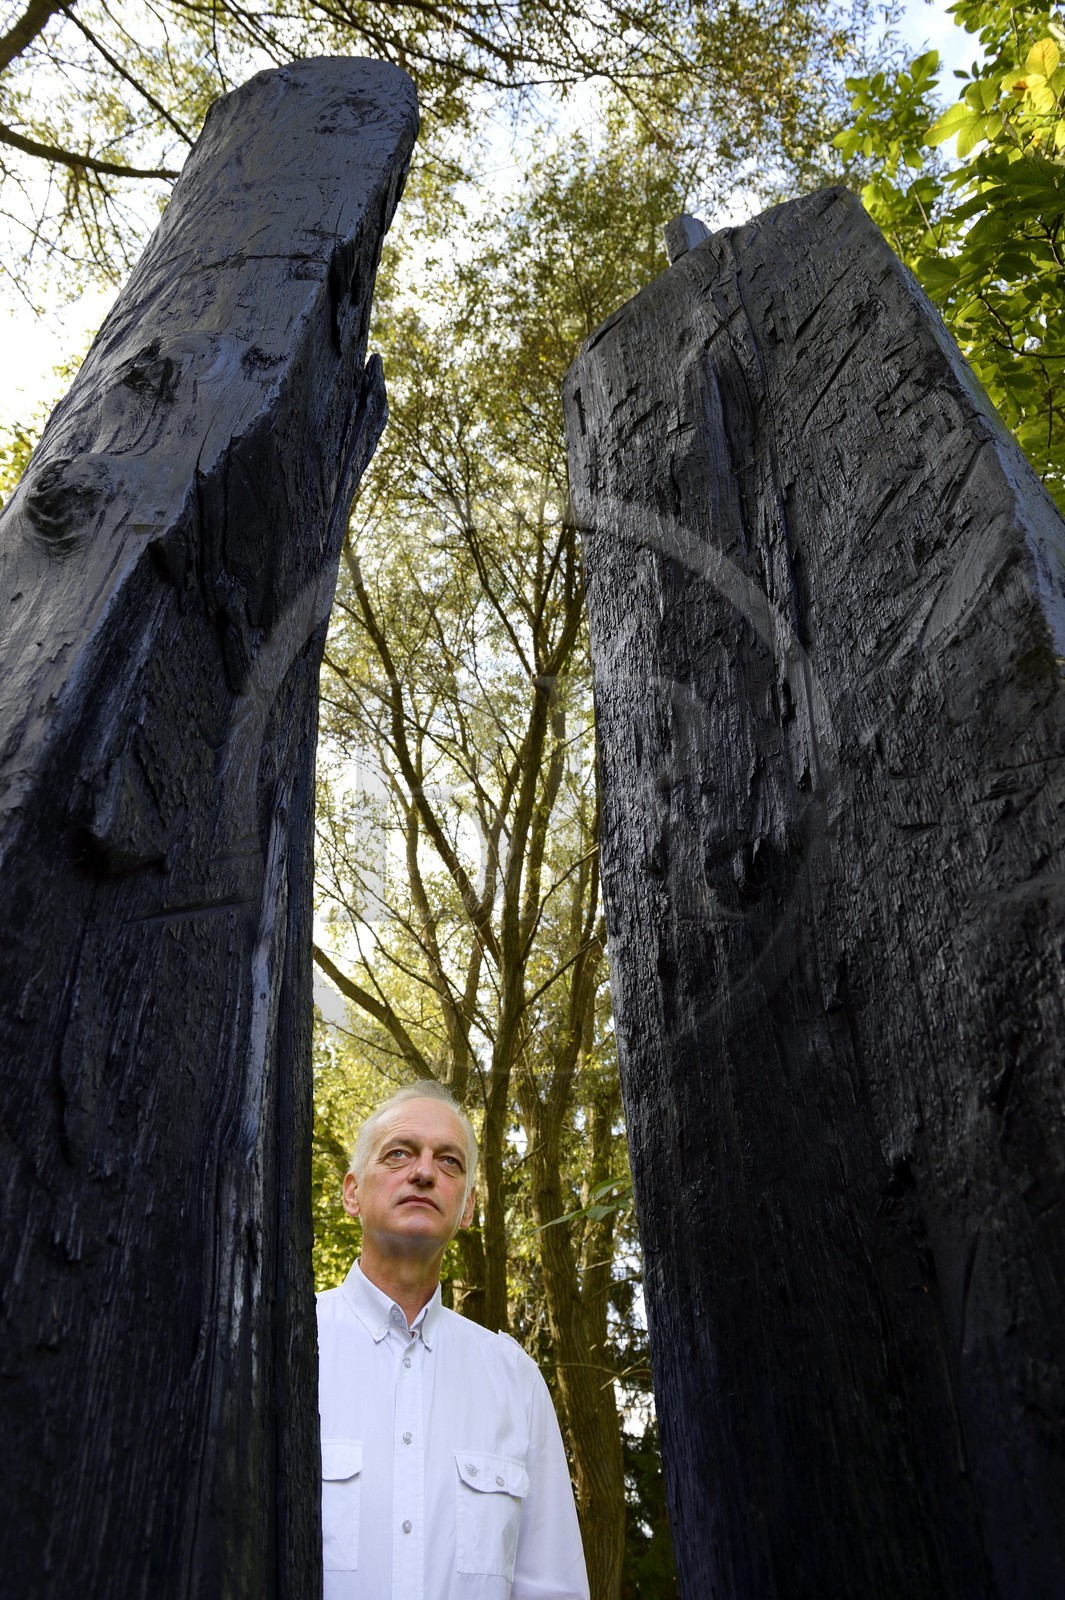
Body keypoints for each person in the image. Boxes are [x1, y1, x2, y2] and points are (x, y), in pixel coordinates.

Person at [317, 1080, 590, 1600]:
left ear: (465, 1210)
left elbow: (553, 1589)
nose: (423, 1172)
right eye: (399, 1154)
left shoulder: (516, 1380)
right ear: (352, 1192)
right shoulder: (289, 1347)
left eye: (449, 1162)